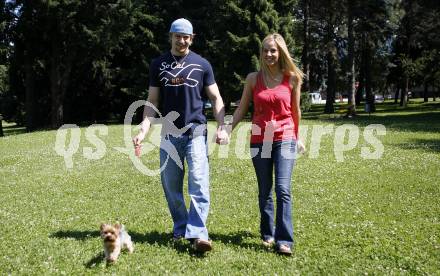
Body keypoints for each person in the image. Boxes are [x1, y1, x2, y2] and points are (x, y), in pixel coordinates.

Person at [133, 18, 228, 252]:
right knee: (171, 186)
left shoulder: (202, 64)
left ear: (192, 38)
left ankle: (197, 234)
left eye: (186, 37)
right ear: (171, 36)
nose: (182, 40)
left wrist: (222, 125)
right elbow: (153, 101)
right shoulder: (158, 64)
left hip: (196, 131)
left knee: (198, 182)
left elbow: (215, 98)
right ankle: (181, 227)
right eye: (178, 36)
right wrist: (144, 128)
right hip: (169, 134)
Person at [228, 33, 304, 255]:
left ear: (280, 52)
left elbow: (295, 111)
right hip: (260, 139)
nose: (269, 54)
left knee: (283, 188)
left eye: (273, 50)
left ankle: (284, 240)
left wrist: (297, 136)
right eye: (265, 50)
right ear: (261, 53)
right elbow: (242, 108)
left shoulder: (291, 78)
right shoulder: (253, 79)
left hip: (285, 136)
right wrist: (228, 129)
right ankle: (267, 233)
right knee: (265, 190)